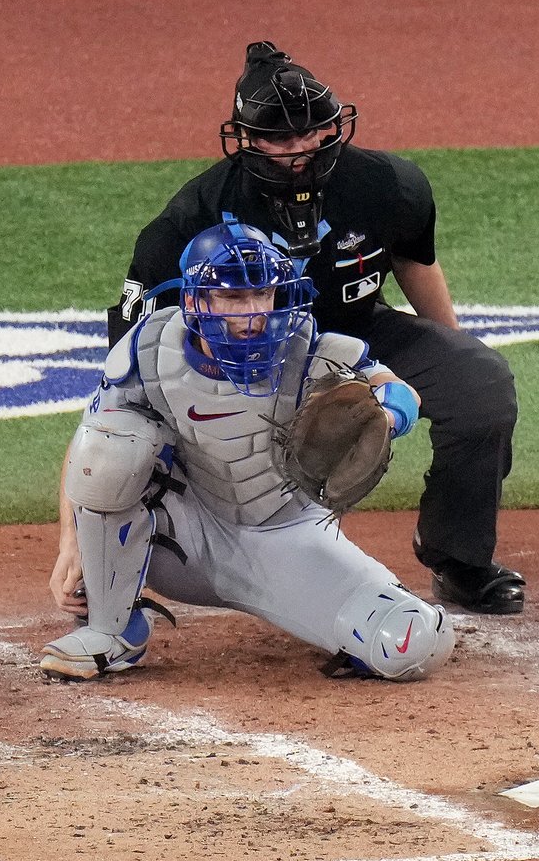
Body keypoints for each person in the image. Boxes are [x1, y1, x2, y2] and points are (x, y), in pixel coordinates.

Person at [107, 40, 524, 614]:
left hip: (357, 333)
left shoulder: (388, 183)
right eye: (281, 138)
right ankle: (164, 560)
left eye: (314, 132)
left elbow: (415, 264)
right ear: (247, 138)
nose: (302, 149)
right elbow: (136, 365)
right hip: (250, 361)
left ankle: (459, 559)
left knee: (479, 385)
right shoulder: (192, 218)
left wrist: (453, 346)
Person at [43, 220, 454, 681]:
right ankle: (112, 628)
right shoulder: (151, 350)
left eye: (263, 295)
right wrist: (72, 542)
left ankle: (333, 620)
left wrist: (389, 412)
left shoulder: (305, 349)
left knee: (411, 644)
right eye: (234, 298)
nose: (254, 313)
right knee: (115, 447)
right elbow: (88, 445)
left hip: (284, 542)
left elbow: (399, 391)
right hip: (180, 540)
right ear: (196, 301)